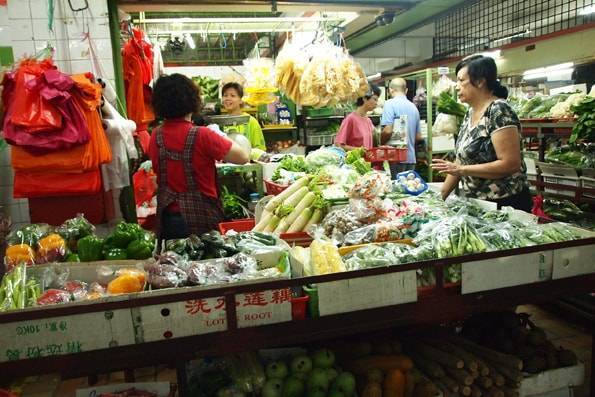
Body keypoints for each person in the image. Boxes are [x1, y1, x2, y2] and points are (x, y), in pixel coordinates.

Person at [148, 74, 249, 240]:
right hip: (202, 219)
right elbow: (243, 157)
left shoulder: (155, 136)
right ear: (192, 101)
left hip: (167, 220)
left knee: (172, 263)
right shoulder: (203, 135)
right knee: (204, 264)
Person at [432, 55, 531, 212]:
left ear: (480, 81)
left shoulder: (498, 110)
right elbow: (459, 162)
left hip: (506, 205)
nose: (457, 87)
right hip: (478, 203)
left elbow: (510, 164)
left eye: (461, 80)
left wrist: (463, 170)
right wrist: (439, 198)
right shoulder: (469, 113)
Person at [380, 78, 422, 178]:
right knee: (406, 190)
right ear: (406, 90)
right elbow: (418, 137)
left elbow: (388, 130)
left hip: (395, 158)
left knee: (395, 190)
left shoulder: (389, 104)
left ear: (390, 90)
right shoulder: (413, 107)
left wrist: (379, 143)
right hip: (411, 159)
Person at [221, 82, 267, 151]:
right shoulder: (220, 122)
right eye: (225, 95)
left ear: (241, 100)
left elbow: (260, 149)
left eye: (232, 96)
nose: (228, 98)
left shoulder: (250, 121)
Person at [335, 84, 381, 151]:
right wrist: (358, 150)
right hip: (354, 161)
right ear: (365, 98)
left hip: (366, 161)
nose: (376, 103)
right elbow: (338, 145)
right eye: (375, 99)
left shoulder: (368, 121)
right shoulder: (351, 119)